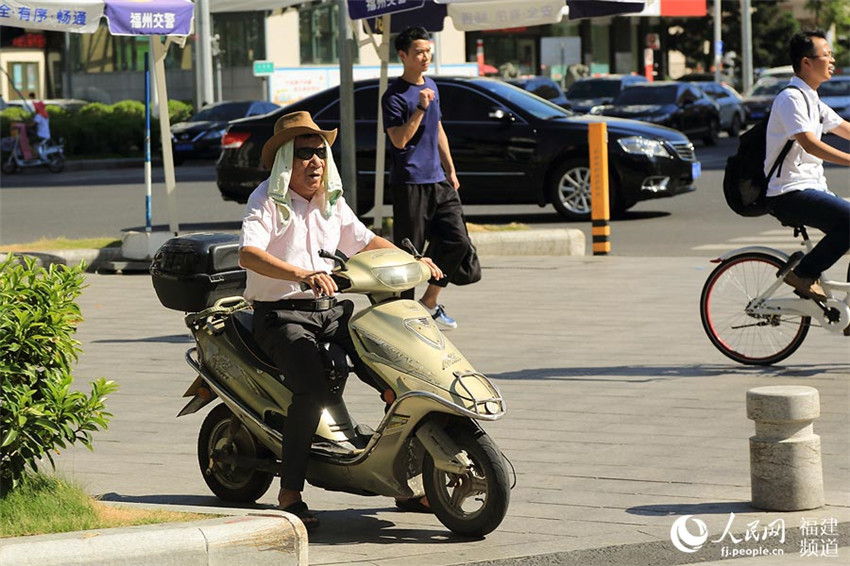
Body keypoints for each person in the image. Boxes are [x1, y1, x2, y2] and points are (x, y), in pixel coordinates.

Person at [238, 111, 442, 530]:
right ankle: (290, 492)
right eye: (305, 154)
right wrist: (302, 274)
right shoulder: (266, 201)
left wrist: (414, 260)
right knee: (312, 392)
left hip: (332, 311)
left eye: (321, 153)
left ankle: (407, 474)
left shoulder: (332, 202)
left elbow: (366, 241)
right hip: (281, 315)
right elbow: (249, 255)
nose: (316, 162)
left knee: (398, 371)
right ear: (284, 163)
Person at [382, 26, 473, 331]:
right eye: (419, 52)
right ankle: (403, 317)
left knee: (457, 241)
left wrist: (450, 168)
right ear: (403, 55)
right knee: (410, 252)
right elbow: (398, 140)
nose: (425, 57)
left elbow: (438, 129)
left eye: (428, 51)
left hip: (438, 181)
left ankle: (429, 302)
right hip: (410, 182)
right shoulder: (394, 96)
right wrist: (420, 107)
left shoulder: (431, 84)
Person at [765, 30, 850, 322]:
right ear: (806, 62)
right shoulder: (791, 98)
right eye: (825, 55)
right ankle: (804, 274)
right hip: (789, 192)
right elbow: (809, 143)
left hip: (811, 188)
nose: (832, 60)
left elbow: (844, 129)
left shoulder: (811, 97)